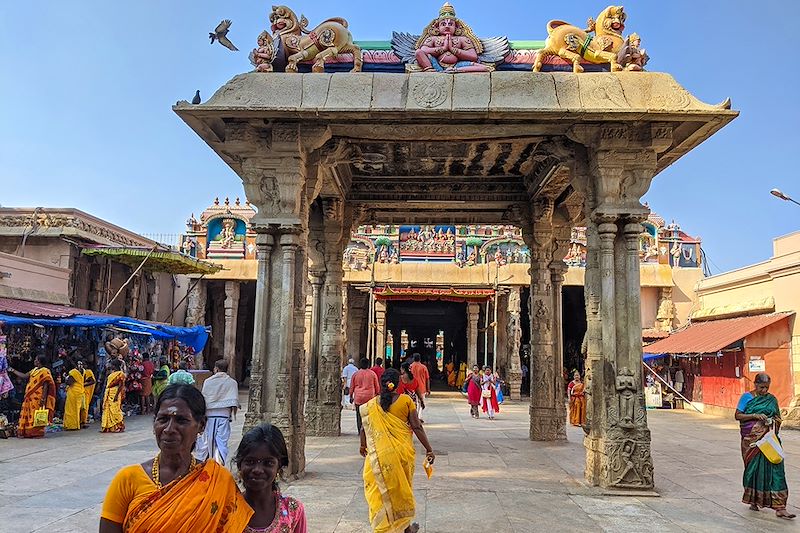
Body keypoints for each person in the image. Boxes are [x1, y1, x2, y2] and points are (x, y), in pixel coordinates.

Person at [99, 384, 252, 532]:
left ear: (201, 425)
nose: (169, 429)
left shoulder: (218, 481)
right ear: (154, 424)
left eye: (181, 420)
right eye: (163, 419)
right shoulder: (127, 480)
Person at [359, 368, 435, 533]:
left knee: (379, 492)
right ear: (398, 382)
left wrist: (363, 445)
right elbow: (416, 426)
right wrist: (429, 449)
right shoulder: (406, 401)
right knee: (401, 489)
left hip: (378, 456)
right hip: (401, 455)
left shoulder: (372, 404)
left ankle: (382, 528)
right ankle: (406, 528)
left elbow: (364, 429)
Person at [734, 373, 795, 519]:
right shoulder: (746, 398)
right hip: (752, 442)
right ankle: (754, 500)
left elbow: (778, 418)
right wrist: (755, 415)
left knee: (777, 470)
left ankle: (780, 507)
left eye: (767, 388)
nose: (764, 391)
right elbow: (738, 415)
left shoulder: (771, 399)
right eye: (761, 387)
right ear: (755, 384)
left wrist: (772, 421)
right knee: (754, 471)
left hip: (769, 441)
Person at [235, 423, 307, 532]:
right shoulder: (227, 510)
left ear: (279, 467)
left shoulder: (293, 511)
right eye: (250, 461)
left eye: (268, 463)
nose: (257, 470)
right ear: (240, 465)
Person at [196, 359, 239, 464]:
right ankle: (218, 465)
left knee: (206, 442)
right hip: (224, 415)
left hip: (209, 415)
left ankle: (204, 464)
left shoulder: (208, 381)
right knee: (221, 442)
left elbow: (204, 398)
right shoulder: (232, 383)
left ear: (216, 368)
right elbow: (234, 401)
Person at [9, 355, 56, 438]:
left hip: (37, 397)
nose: (34, 361)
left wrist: (43, 398)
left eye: (36, 360)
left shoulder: (45, 371)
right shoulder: (34, 370)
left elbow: (45, 385)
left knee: (35, 415)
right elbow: (24, 376)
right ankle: (28, 432)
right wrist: (12, 370)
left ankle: (36, 432)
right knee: (28, 414)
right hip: (29, 396)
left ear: (39, 361)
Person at [350, 357, 381, 433]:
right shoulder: (372, 374)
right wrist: (377, 393)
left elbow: (352, 387)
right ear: (368, 364)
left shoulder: (356, 374)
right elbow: (377, 386)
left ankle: (360, 430)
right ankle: (368, 430)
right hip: (369, 397)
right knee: (369, 414)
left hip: (358, 397)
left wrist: (351, 396)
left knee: (359, 414)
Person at [101, 359, 126, 433]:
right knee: (108, 409)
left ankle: (118, 426)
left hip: (115, 393)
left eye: (111, 365)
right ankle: (109, 427)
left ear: (114, 366)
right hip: (109, 392)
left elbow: (120, 386)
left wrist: (116, 396)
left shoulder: (120, 374)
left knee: (114, 410)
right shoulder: (112, 373)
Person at [64, 360, 85, 430]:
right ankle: (77, 424)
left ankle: (71, 425)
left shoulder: (73, 372)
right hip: (80, 391)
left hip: (73, 392)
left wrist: (65, 378)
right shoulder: (83, 371)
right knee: (77, 409)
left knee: (71, 409)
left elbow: (69, 382)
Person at [409, 354, 430, 422]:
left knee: (413, 402)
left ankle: (414, 417)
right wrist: (428, 389)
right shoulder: (423, 367)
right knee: (421, 402)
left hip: (412, 388)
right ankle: (419, 416)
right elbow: (427, 379)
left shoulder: (410, 367)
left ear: (413, 359)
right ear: (420, 359)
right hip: (421, 388)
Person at [80, 360, 96, 425]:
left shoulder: (88, 371)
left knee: (85, 406)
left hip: (87, 391)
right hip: (83, 391)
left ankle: (84, 421)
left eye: (83, 365)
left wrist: (83, 385)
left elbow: (93, 381)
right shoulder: (82, 372)